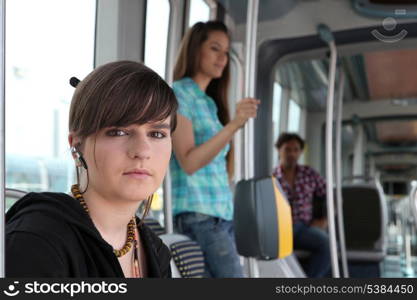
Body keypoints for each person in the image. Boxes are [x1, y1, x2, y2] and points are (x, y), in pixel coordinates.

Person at [6, 61, 177, 278]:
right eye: (119, 132)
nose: (142, 150)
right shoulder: (35, 241)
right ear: (77, 145)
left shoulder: (155, 251)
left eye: (157, 134)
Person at [170, 21, 260, 278]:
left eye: (226, 52)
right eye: (215, 49)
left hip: (219, 215)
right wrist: (234, 125)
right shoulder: (179, 94)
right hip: (199, 216)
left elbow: (220, 166)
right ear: (195, 49)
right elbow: (188, 162)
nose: (222, 58)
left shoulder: (208, 102)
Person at [273, 132, 330, 278]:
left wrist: (325, 219)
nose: (292, 153)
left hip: (304, 227)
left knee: (327, 244)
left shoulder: (309, 174)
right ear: (279, 150)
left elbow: (331, 196)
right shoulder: (272, 177)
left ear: (300, 152)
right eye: (287, 149)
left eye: (296, 150)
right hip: (280, 229)